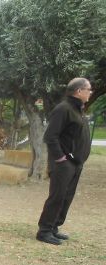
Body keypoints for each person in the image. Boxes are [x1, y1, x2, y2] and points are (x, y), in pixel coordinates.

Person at [36, 77, 92, 245]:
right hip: (64, 163)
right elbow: (51, 137)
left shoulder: (78, 110)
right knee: (57, 196)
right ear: (79, 91)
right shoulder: (64, 109)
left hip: (75, 163)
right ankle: (44, 231)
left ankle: (54, 228)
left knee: (67, 197)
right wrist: (61, 158)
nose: (90, 92)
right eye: (88, 89)